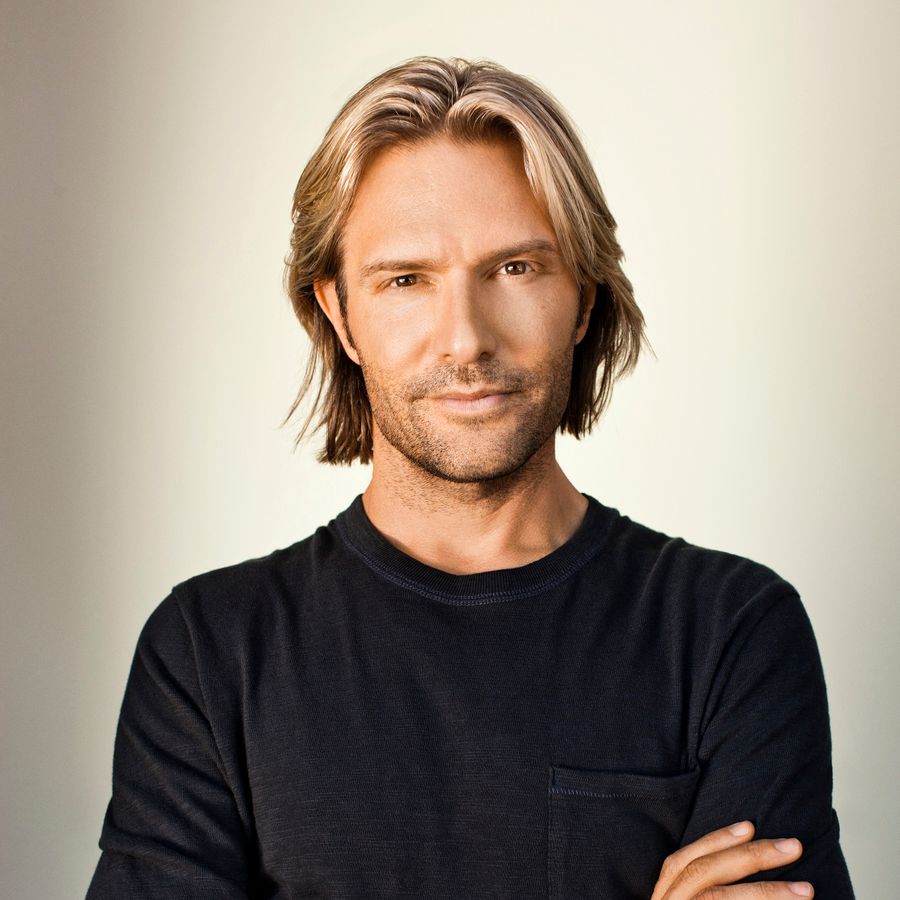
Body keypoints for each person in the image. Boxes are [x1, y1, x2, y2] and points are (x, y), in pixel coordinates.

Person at [87, 57, 854, 898]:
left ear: (584, 296)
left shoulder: (730, 632)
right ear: (340, 313)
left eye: (515, 268)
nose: (465, 338)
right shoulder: (209, 653)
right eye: (406, 280)